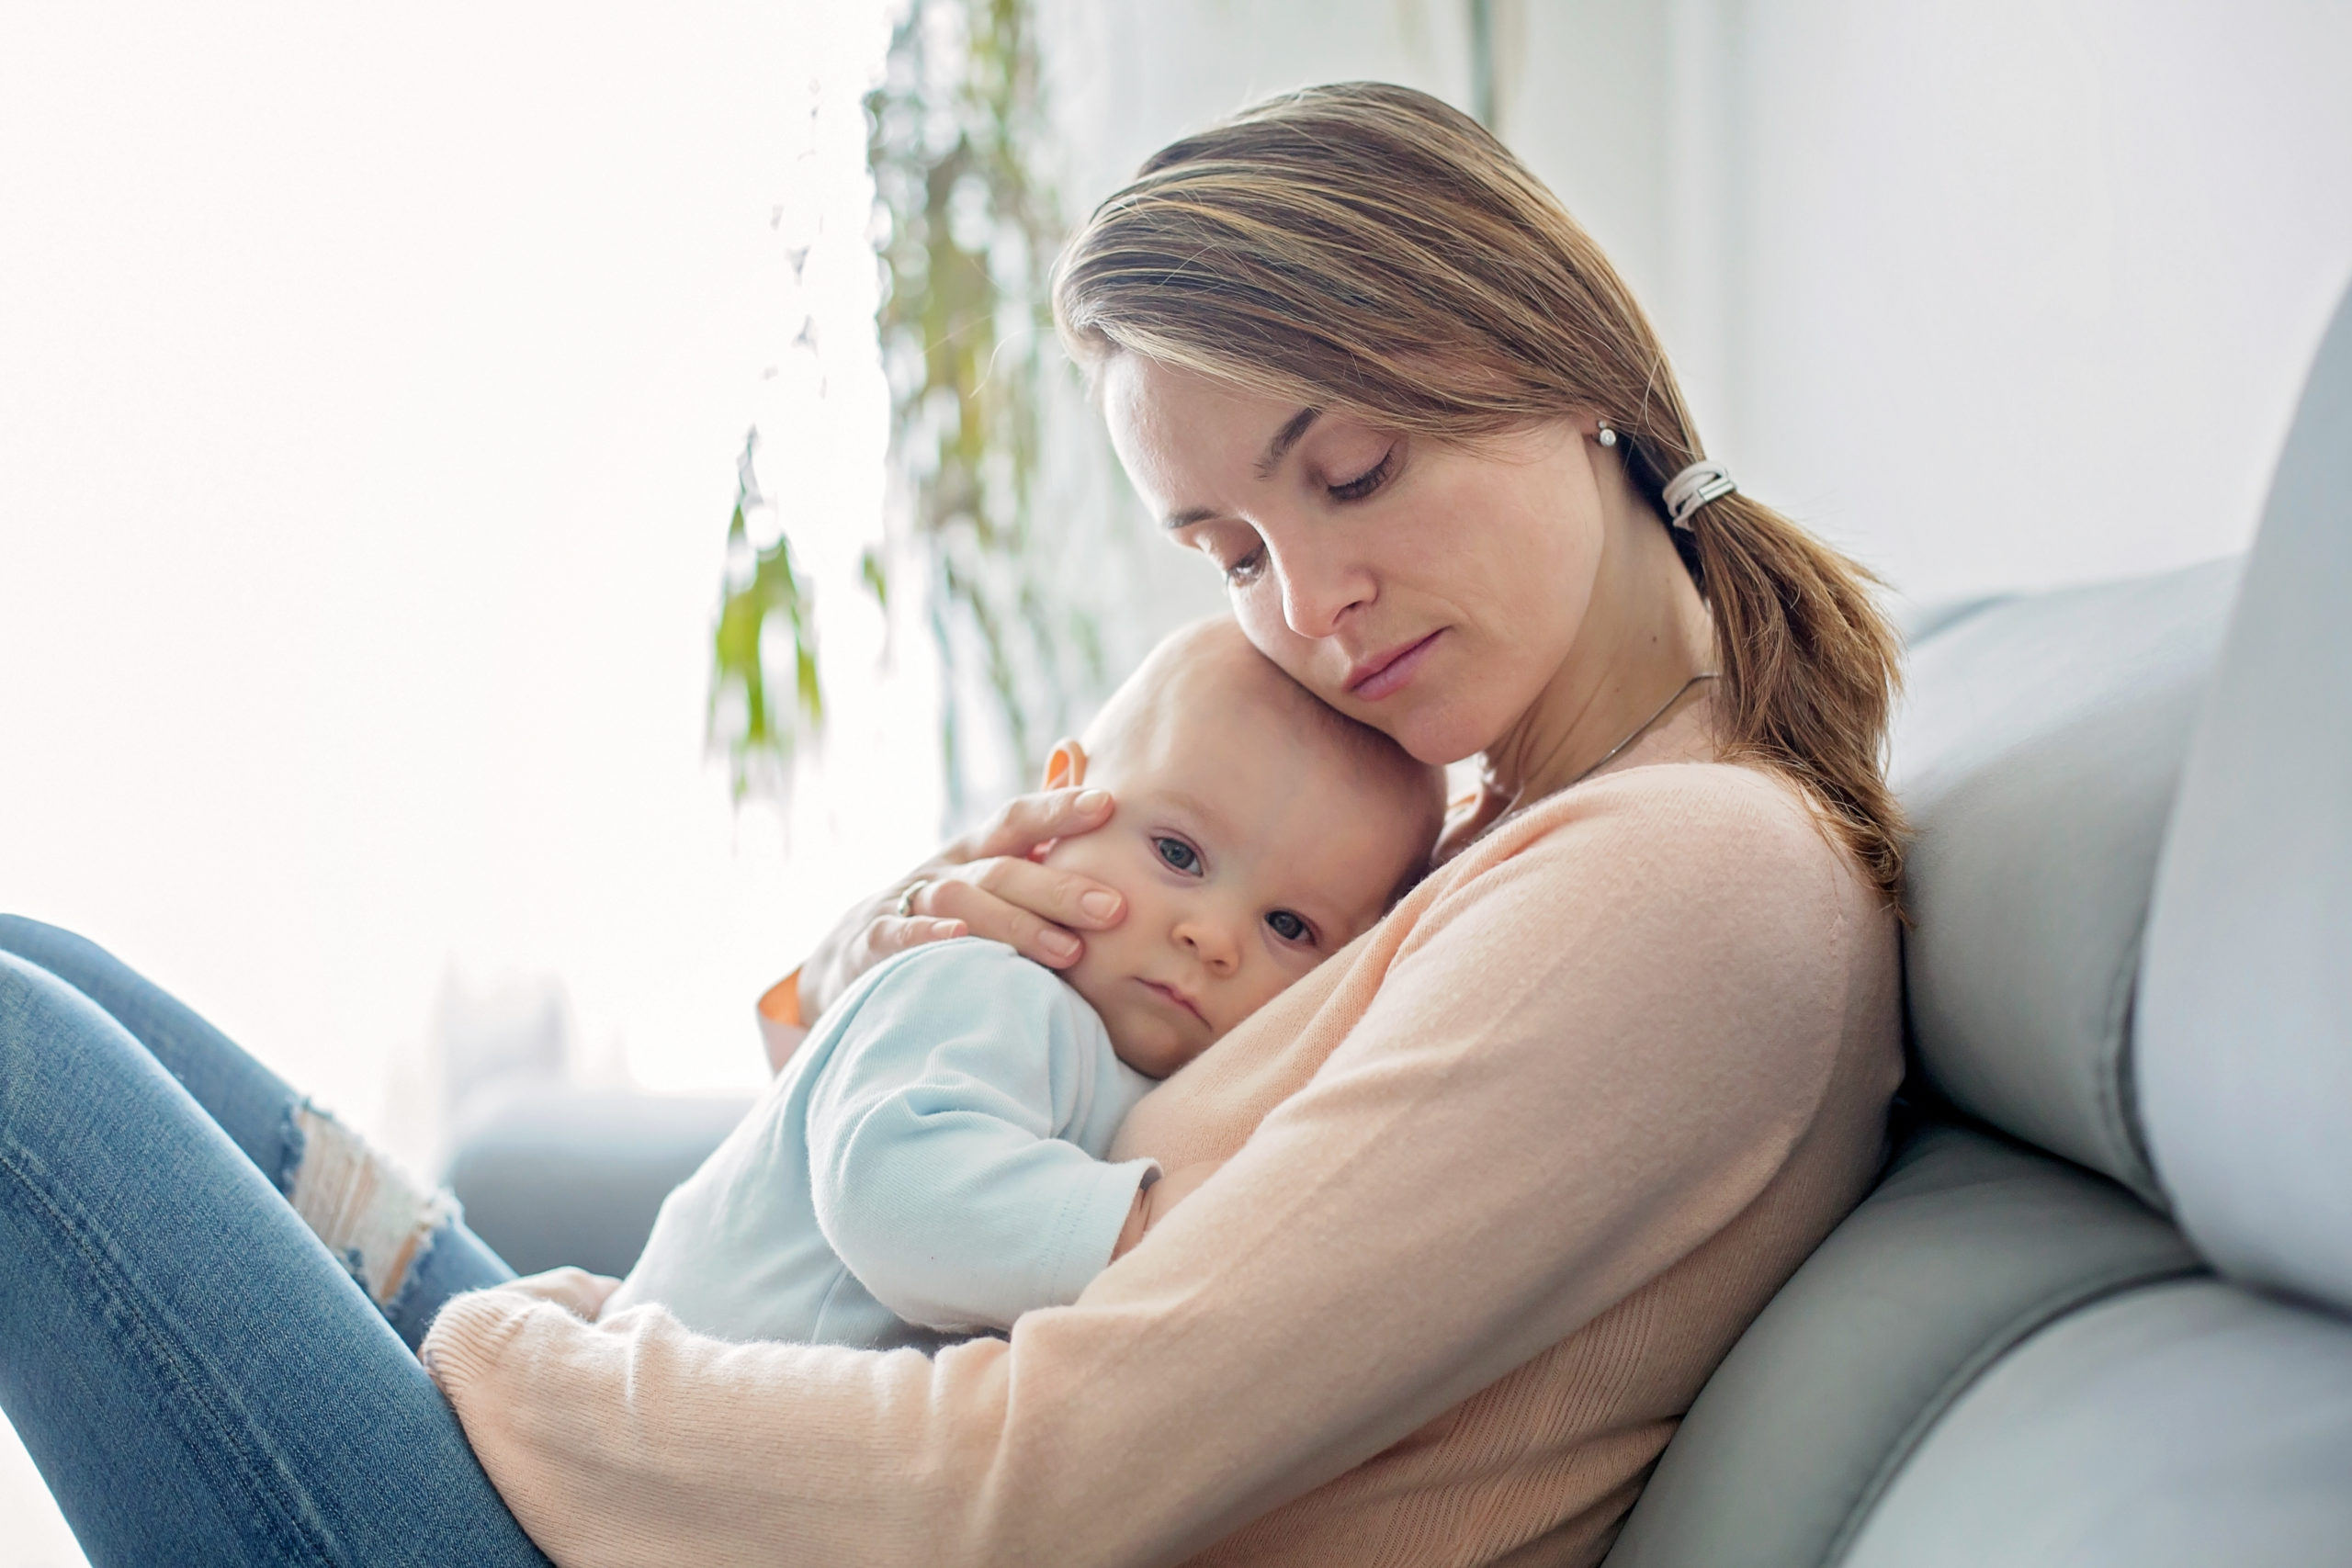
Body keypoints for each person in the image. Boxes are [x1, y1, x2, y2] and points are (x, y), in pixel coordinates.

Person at [0, 82, 1905, 1568]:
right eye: (1228, 548)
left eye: (1350, 470)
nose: (1309, 605)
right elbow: (1017, 1166)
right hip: (768, 1470)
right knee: (48, 973)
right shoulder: (1503, 820)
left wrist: (507, 1355)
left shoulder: (1679, 886)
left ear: (1560, 354)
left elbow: (1023, 1484)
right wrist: (880, 976)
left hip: (823, 1523)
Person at [606, 620, 1442, 1348]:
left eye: (1290, 927)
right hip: (618, 1413)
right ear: (1060, 799)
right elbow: (889, 1192)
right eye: (1178, 854)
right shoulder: (991, 982)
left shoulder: (1187, 1070)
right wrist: (1135, 1228)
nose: (1213, 937)